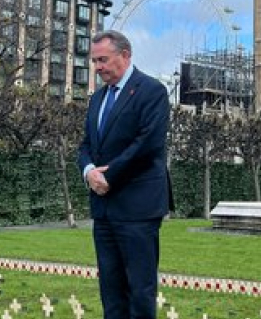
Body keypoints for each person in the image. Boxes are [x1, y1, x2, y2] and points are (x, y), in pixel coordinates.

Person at [77, 30, 172, 319]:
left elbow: (148, 144)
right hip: (104, 210)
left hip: (137, 208)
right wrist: (89, 171)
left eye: (103, 60)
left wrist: (109, 176)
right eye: (94, 61)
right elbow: (85, 145)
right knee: (111, 289)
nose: (98, 68)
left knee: (140, 290)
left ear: (125, 55)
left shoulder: (152, 91)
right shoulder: (97, 99)